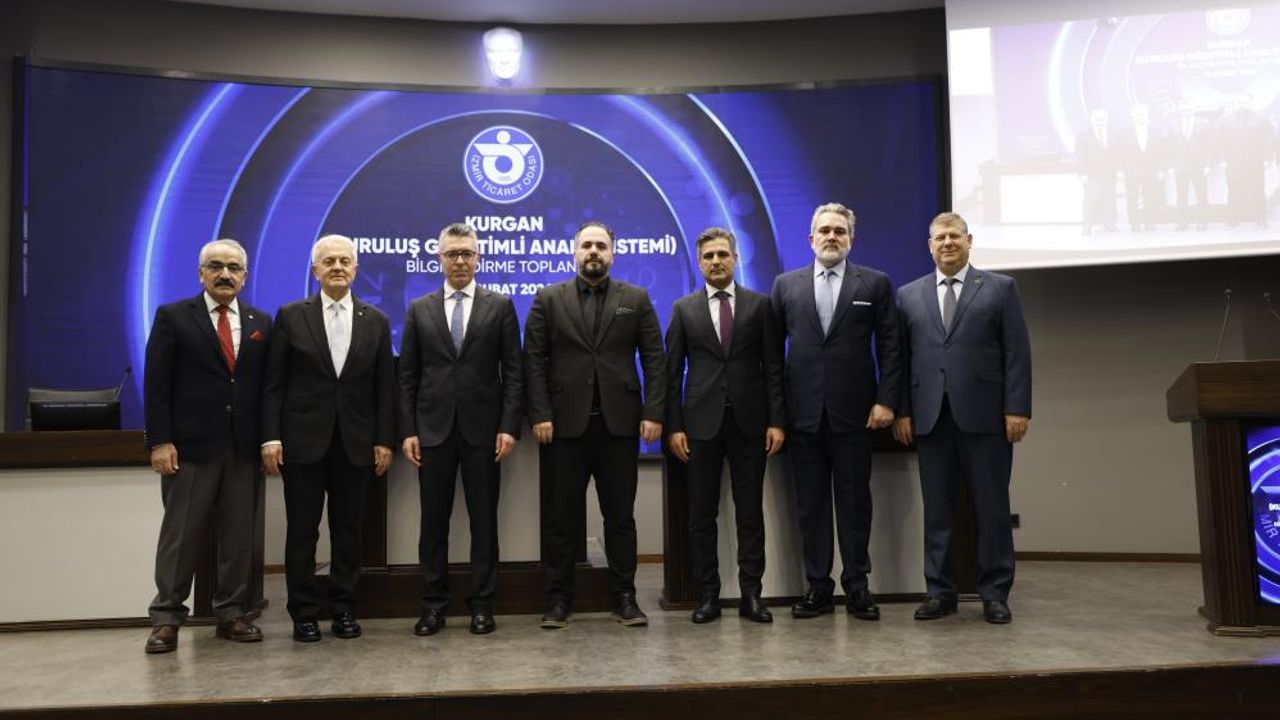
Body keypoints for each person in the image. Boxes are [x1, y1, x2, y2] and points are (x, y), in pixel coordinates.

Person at [524, 220, 665, 629]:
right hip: (563, 427)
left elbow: (655, 359)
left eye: (601, 246)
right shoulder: (547, 299)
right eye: (586, 245)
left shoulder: (635, 299)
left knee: (620, 517)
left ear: (612, 254)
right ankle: (559, 599)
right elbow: (532, 360)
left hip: (619, 427)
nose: (593, 252)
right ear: (574, 252)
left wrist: (654, 412)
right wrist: (540, 413)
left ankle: (624, 598)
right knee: (561, 519)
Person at [892, 212, 1031, 624]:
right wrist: (903, 411)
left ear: (969, 241)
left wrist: (1018, 407)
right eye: (940, 237)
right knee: (938, 512)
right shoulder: (908, 295)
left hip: (987, 418)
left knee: (992, 509)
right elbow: (900, 360)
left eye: (955, 236)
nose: (947, 243)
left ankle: (995, 594)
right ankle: (940, 593)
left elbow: (1017, 353)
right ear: (929, 246)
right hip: (930, 419)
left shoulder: (1001, 289)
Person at [769, 202, 901, 621]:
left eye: (839, 231)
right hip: (802, 416)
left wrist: (886, 400)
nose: (831, 237)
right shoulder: (785, 286)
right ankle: (817, 588)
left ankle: (857, 586)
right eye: (824, 230)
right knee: (810, 507)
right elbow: (771, 357)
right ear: (811, 239)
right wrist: (777, 416)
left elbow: (891, 347)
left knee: (855, 504)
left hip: (856, 416)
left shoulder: (875, 284)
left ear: (851, 239)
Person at [261, 234, 395, 643]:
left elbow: (384, 387)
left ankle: (343, 609)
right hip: (302, 442)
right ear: (315, 270)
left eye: (344, 261)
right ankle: (303, 613)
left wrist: (384, 439)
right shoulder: (290, 315)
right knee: (302, 531)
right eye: (329, 261)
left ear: (356, 269)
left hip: (356, 443)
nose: (337, 267)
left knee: (348, 531)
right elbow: (274, 384)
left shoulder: (376, 319)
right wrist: (270, 437)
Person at [143, 238, 272, 653]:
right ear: (201, 274)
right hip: (190, 447)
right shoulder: (174, 317)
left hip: (243, 448)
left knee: (238, 536)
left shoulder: (260, 322)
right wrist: (160, 441)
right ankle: (166, 618)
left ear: (245, 276)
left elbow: (267, 389)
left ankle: (231, 613)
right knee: (181, 536)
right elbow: (157, 385)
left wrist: (268, 438)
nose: (225, 274)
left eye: (233, 268)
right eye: (215, 266)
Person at [399, 223, 523, 636]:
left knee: (484, 523)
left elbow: (514, 371)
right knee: (432, 524)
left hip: (484, 433)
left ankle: (482, 605)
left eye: (467, 253)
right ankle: (433, 606)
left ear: (478, 258)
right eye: (452, 254)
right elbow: (408, 376)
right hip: (431, 431)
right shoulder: (419, 308)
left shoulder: (500, 306)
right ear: (439, 259)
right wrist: (408, 429)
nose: (460, 260)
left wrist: (509, 426)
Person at [665, 227, 786, 624]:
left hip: (751, 424)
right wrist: (674, 426)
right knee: (701, 515)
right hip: (699, 427)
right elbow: (671, 375)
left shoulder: (759, 306)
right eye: (708, 256)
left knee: (749, 513)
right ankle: (708, 596)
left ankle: (752, 595)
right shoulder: (683, 309)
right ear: (699, 263)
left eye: (722, 254)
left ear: (735, 258)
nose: (716, 261)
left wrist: (776, 421)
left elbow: (774, 367)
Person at [1167, 98, 1213, 230]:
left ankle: (1202, 222)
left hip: (1199, 166)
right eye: (1183, 110)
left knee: (1201, 194)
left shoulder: (1204, 124)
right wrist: (1170, 166)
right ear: (1179, 110)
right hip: (1180, 166)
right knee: (1181, 195)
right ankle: (1182, 222)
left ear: (1194, 109)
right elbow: (1169, 146)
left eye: (1188, 109)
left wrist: (1208, 165)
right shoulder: (1173, 124)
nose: (1185, 112)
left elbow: (1210, 146)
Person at [1076, 108, 1118, 235]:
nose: (1100, 122)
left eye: (1102, 119)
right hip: (1092, 175)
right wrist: (1082, 174)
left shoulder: (1113, 133)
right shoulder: (1083, 135)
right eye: (1097, 120)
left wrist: (1119, 170)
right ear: (1092, 120)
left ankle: (1109, 224)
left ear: (1107, 120)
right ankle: (1087, 225)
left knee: (1109, 200)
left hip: (1110, 174)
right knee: (1090, 201)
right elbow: (1080, 156)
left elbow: (1118, 154)